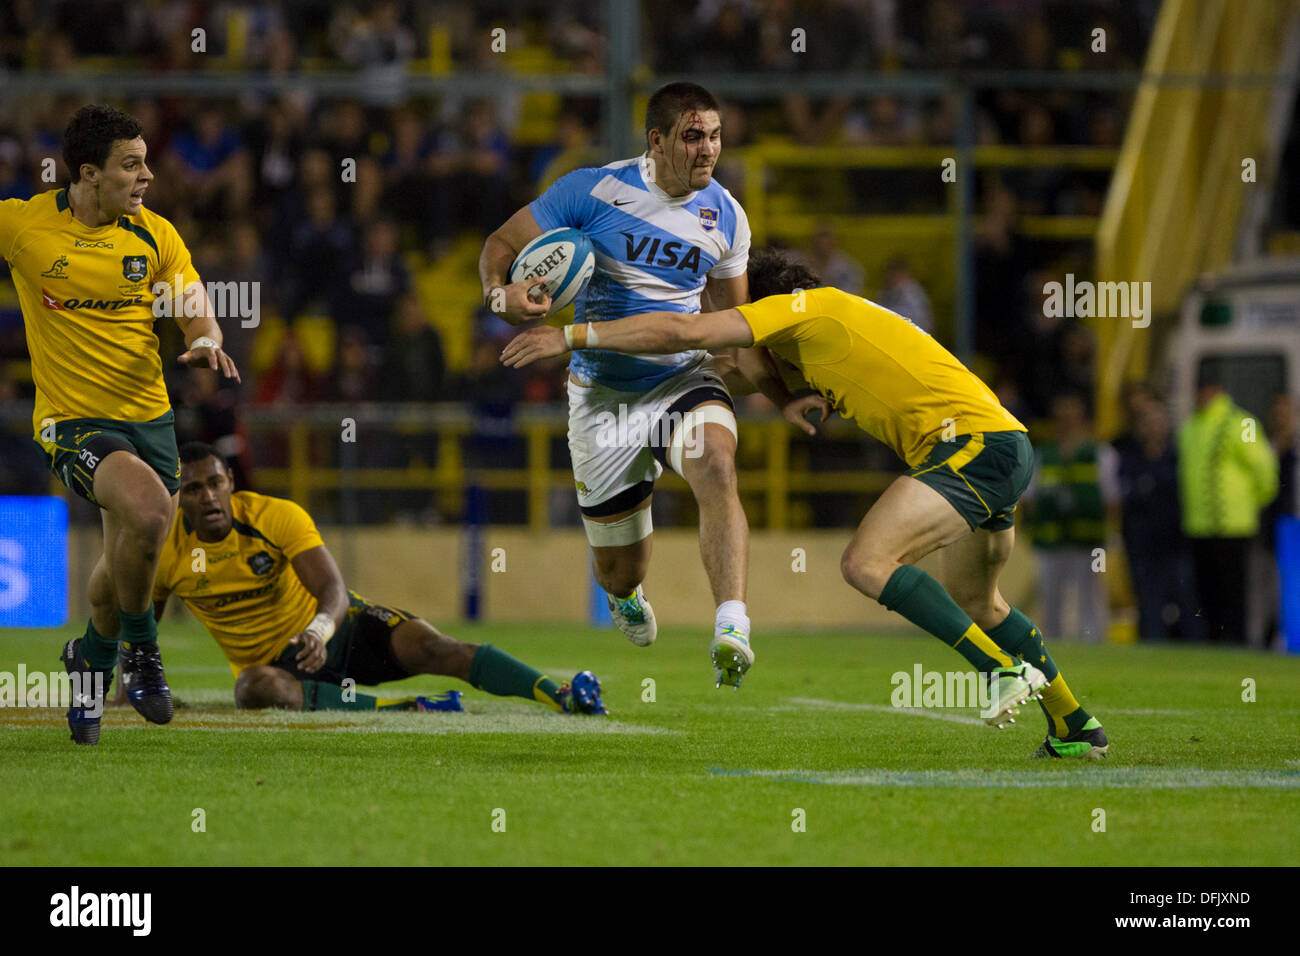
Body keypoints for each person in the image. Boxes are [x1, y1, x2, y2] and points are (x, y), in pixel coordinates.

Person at [503, 248, 1109, 758]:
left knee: (866, 563)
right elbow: (725, 366)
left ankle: (1000, 672)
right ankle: (1073, 725)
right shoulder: (829, 328)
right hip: (1000, 443)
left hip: (971, 448)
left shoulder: (806, 308)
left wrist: (570, 335)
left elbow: (691, 333)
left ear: (762, 305)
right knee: (982, 602)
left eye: (738, 308)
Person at [479, 82, 810, 690]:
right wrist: (501, 295)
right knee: (617, 569)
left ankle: (732, 624)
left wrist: (787, 396)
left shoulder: (727, 216)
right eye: (692, 135)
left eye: (714, 135)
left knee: (716, 462)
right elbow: (501, 245)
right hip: (602, 397)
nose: (707, 149)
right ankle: (625, 593)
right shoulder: (591, 189)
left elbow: (732, 333)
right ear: (655, 141)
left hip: (680, 377)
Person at [0, 104, 241, 745]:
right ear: (88, 173)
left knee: (119, 566)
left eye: (146, 162)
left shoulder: (154, 235)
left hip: (149, 421)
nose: (148, 176)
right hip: (71, 420)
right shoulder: (23, 226)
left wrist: (206, 339)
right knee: (151, 513)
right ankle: (143, 652)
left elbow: (196, 310)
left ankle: (90, 663)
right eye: (131, 165)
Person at [143, 443, 606, 716]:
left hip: (337, 629)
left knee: (438, 648)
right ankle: (409, 710)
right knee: (251, 689)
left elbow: (333, 590)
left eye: (216, 483)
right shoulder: (167, 550)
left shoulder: (274, 517)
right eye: (193, 489)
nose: (208, 497)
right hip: (279, 667)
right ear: (178, 497)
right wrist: (131, 683)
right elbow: (142, 620)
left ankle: (561, 694)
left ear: (230, 482)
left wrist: (318, 631)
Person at [1177, 367, 1279, 643]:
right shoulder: (1191, 427)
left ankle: (1235, 643)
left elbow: (1264, 467)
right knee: (1207, 592)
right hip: (1199, 525)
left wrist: (1252, 502)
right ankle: (1216, 643)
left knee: (1233, 593)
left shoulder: (1239, 423)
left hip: (1233, 524)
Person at [1022, 390, 1113, 643]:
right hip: (1050, 540)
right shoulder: (1042, 455)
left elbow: (1112, 499)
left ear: (1082, 418)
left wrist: (1111, 533)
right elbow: (1028, 498)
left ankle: (1094, 642)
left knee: (1092, 593)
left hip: (1091, 540)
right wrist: (1033, 530)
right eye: (1062, 416)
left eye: (1072, 416)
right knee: (1050, 595)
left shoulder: (1101, 454)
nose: (1067, 422)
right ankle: (1053, 644)